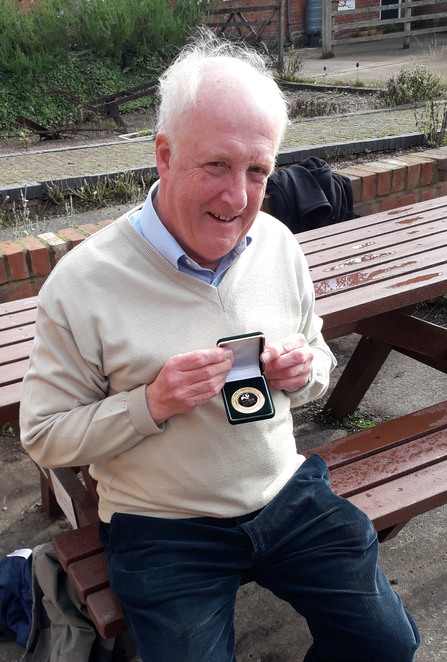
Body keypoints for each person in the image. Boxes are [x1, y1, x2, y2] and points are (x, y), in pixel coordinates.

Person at [20, 29, 419, 662]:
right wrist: (149, 403)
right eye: (216, 166)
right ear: (164, 155)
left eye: (257, 170)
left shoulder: (280, 243)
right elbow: (42, 437)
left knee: (387, 645)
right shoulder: (82, 284)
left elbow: (317, 356)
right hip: (163, 528)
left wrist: (304, 368)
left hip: (284, 494)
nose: (237, 199)